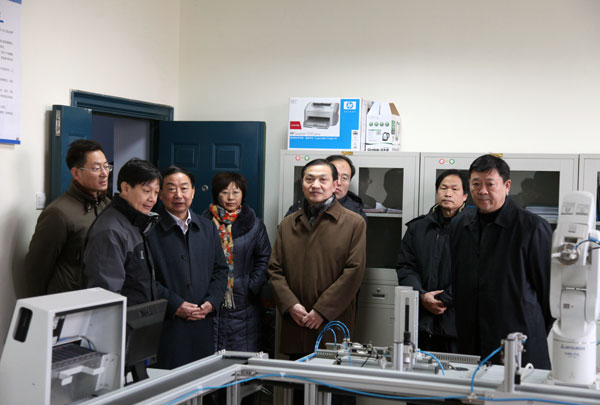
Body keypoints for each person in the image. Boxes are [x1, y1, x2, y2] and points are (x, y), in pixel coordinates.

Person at [450, 154, 553, 368]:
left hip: (519, 340)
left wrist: (530, 326)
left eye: (490, 184)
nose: (482, 191)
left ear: (507, 186)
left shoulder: (532, 228)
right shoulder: (460, 225)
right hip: (471, 340)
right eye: (476, 184)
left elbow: (548, 295)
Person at [268, 158, 366, 358]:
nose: (315, 185)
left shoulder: (353, 223)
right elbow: (274, 269)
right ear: (302, 183)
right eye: (309, 179)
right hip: (296, 321)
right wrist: (291, 305)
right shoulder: (288, 224)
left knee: (331, 372)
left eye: (323, 179)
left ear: (335, 184)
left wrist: (322, 311)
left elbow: (353, 272)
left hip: (333, 322)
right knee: (296, 375)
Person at [146, 166, 228, 369]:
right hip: (166, 326)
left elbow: (220, 269)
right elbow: (145, 279)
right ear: (160, 193)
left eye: (184, 188)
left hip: (202, 323)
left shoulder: (207, 227)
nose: (178, 195)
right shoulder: (148, 230)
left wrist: (212, 301)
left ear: (193, 191)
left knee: (201, 378)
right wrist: (175, 305)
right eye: (171, 188)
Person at [24, 139, 111, 296]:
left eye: (106, 166)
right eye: (96, 168)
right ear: (76, 173)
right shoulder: (58, 213)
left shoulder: (107, 205)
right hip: (68, 299)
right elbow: (36, 268)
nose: (104, 173)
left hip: (100, 296)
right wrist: (38, 305)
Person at [396, 170, 468, 353]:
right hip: (422, 318)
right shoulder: (418, 228)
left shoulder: (473, 229)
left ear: (465, 196)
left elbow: (475, 272)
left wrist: (445, 299)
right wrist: (422, 295)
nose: (448, 193)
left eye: (454, 189)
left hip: (458, 320)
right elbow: (405, 267)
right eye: (443, 188)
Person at [202, 172, 271, 353]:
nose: (231, 197)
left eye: (236, 192)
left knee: (242, 357)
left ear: (243, 194)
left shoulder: (254, 225)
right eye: (225, 192)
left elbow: (265, 258)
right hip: (209, 299)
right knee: (209, 357)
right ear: (216, 194)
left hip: (244, 303)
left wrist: (250, 286)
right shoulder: (202, 223)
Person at [83, 158, 162, 306]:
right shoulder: (110, 230)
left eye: (156, 192)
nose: (152, 199)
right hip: (123, 319)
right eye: (146, 191)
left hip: (138, 317)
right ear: (125, 188)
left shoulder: (136, 222)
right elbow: (106, 296)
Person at [286, 155, 367, 222]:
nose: (338, 182)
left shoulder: (356, 217)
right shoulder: (298, 209)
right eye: (335, 176)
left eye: (344, 178)